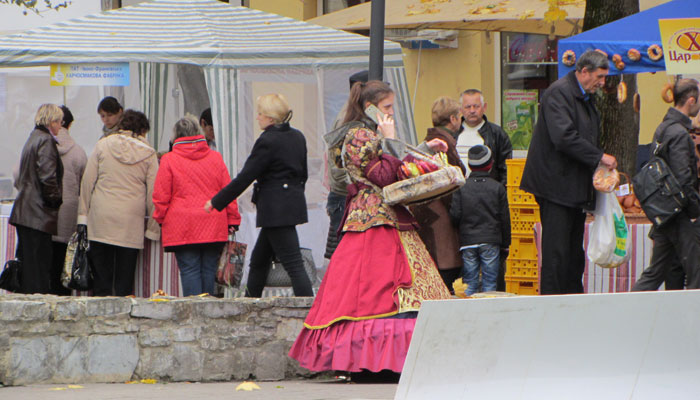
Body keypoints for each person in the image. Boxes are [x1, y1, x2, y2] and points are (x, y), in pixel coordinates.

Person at [288, 80, 451, 374]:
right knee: (372, 291)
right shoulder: (358, 136)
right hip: (372, 219)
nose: (392, 112)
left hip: (387, 216)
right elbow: (385, 176)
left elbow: (395, 166)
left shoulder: (370, 134)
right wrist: (391, 138)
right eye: (387, 107)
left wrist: (424, 148)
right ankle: (369, 361)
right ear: (369, 107)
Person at [520, 50, 617, 295]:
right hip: (555, 186)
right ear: (584, 72)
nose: (602, 82)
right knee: (557, 253)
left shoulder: (584, 96)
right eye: (600, 76)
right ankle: (552, 304)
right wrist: (599, 156)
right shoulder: (559, 93)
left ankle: (573, 301)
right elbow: (563, 137)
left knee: (573, 253)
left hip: (572, 186)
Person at [204, 94, 313, 298]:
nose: (257, 117)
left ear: (270, 118)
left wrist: (217, 201)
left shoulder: (267, 140)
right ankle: (250, 303)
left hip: (274, 209)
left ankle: (308, 308)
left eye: (260, 114)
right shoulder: (298, 136)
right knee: (259, 261)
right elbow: (303, 174)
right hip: (289, 205)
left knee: (293, 263)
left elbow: (246, 176)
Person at [153, 116, 241, 296]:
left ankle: (194, 310)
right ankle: (208, 310)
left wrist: (160, 218)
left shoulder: (169, 160)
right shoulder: (215, 157)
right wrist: (233, 219)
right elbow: (228, 191)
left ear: (176, 136)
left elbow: (161, 196)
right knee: (209, 269)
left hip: (182, 224)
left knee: (189, 270)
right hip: (213, 222)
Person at [78, 109, 160, 296]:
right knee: (124, 283)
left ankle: (100, 313)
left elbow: (87, 182)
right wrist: (153, 229)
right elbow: (153, 193)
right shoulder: (149, 154)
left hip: (101, 220)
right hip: (130, 222)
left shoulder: (103, 145)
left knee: (101, 281)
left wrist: (82, 216)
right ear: (143, 131)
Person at [632, 78, 700, 291]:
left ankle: (628, 306)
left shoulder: (663, 127)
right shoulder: (679, 133)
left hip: (664, 211)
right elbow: (683, 178)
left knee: (656, 272)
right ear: (691, 100)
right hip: (678, 213)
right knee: (696, 269)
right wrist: (695, 209)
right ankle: (693, 311)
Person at [410, 96, 466, 291]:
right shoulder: (444, 144)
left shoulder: (428, 141)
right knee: (445, 268)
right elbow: (452, 180)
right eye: (460, 116)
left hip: (426, 212)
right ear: (453, 119)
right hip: (440, 213)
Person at [9, 104, 64, 294]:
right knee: (39, 267)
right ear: (52, 121)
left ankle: (29, 300)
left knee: (29, 264)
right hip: (38, 213)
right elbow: (47, 176)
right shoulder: (46, 141)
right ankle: (37, 304)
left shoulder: (33, 138)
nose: (61, 126)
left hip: (25, 211)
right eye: (60, 121)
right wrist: (55, 200)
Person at [450, 145, 510, 295]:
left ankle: (469, 307)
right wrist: (506, 243)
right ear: (490, 164)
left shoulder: (461, 188)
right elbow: (504, 218)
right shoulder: (497, 188)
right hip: (491, 240)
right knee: (490, 283)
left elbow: (455, 215)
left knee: (470, 283)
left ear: (470, 165)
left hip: (468, 241)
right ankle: (488, 308)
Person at [323, 70, 370, 263]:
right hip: (345, 197)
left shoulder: (358, 118)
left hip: (346, 196)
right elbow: (337, 166)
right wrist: (355, 185)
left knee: (348, 258)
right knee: (345, 259)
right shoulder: (348, 121)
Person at [50, 106, 87, 295]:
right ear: (70, 124)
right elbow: (85, 184)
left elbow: (18, 173)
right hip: (69, 213)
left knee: (46, 263)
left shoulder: (42, 145)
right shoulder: (78, 152)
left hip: (47, 214)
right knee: (65, 263)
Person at [458, 89, 512, 185]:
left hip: (487, 192)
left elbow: (505, 170)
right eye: (468, 107)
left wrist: (498, 191)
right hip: (457, 191)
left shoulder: (497, 134)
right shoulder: (453, 134)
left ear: (484, 107)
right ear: (460, 109)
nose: (472, 111)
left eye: (476, 106)